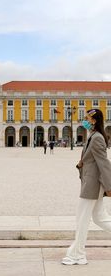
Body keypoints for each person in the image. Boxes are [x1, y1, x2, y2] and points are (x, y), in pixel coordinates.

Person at [62, 109, 111, 265]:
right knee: (100, 218)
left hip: (92, 184)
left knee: (82, 219)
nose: (84, 120)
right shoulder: (94, 136)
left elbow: (104, 163)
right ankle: (78, 254)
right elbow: (92, 158)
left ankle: (77, 255)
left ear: (94, 120)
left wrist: (109, 186)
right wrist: (81, 163)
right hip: (90, 182)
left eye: (87, 118)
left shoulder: (97, 138)